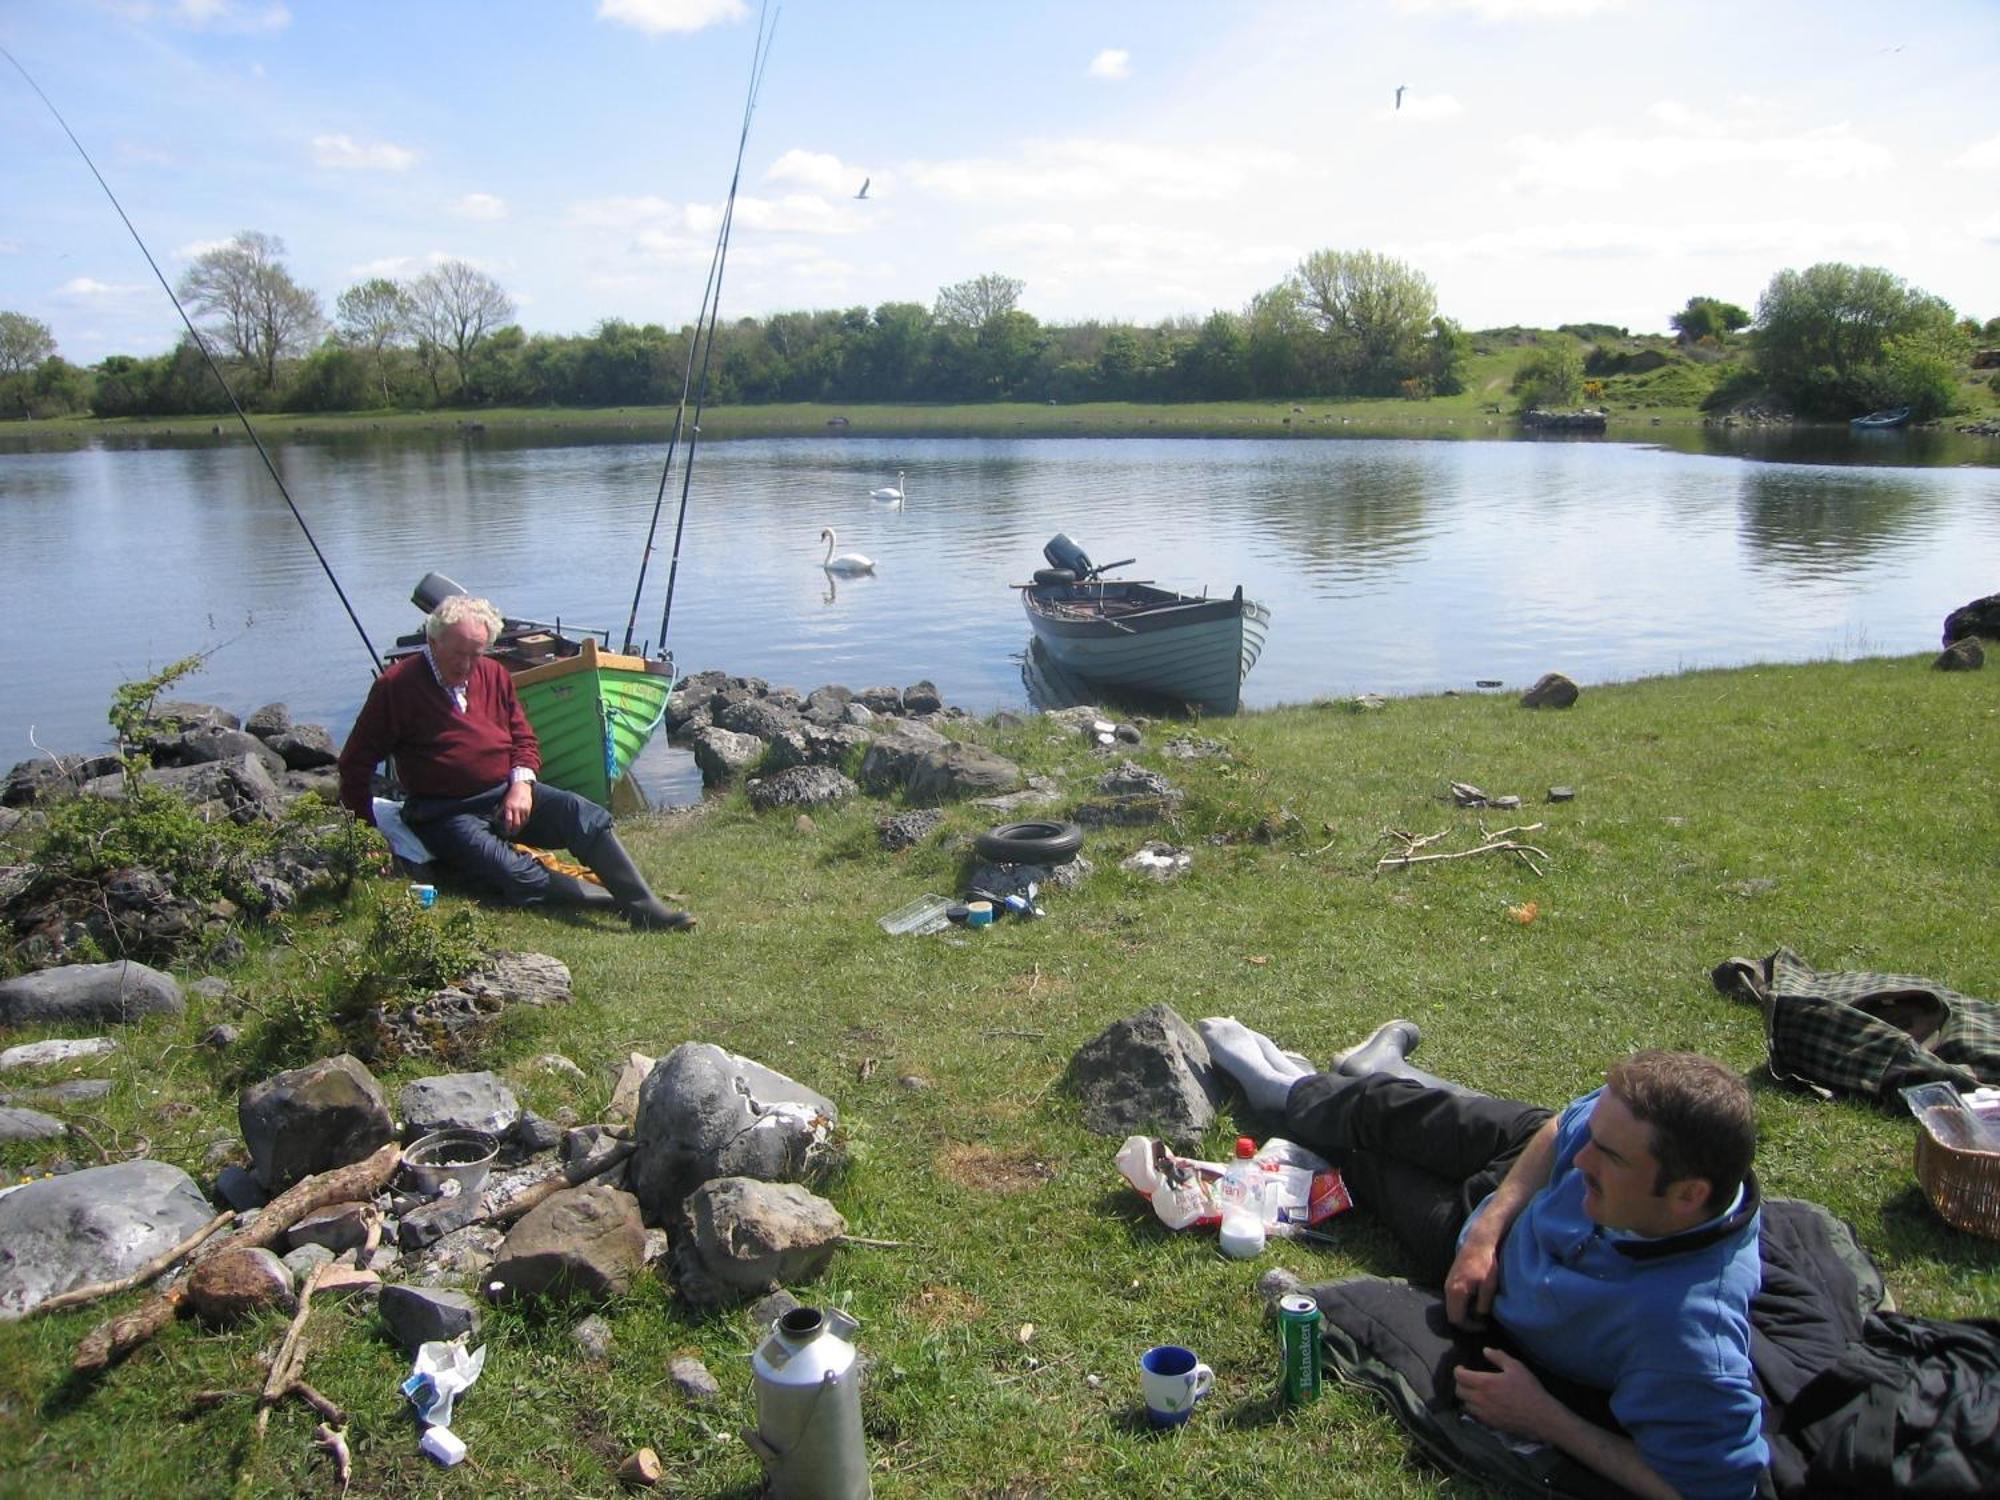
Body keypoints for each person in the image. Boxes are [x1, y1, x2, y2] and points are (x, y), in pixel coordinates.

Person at [1200, 1016, 1764, 1500]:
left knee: (1362, 1160)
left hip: (1490, 1273)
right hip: (1509, 1194)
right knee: (1392, 1111)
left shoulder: (1687, 1330)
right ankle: (1309, 1086)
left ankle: (1330, 1081)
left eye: (1608, 1154)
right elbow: (1559, 1129)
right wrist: (1488, 1228)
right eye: (1595, 1136)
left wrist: (1549, 1420)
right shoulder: (1626, 1145)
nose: (1581, 1157)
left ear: (1688, 1194)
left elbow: (1711, 1489)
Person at [337, 594, 694, 932]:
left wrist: (521, 786)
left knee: (579, 813)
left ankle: (644, 906)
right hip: (445, 813)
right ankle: (607, 901)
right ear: (433, 642)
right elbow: (355, 765)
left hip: (506, 795)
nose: (466, 665)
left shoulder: (493, 674)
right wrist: (366, 834)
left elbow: (524, 740)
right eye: (457, 654)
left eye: (475, 654)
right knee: (512, 873)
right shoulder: (395, 687)